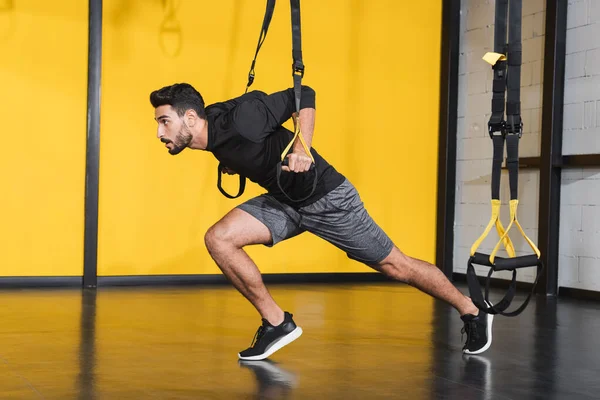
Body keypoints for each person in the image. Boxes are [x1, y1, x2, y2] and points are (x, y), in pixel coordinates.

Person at [149, 82, 493, 360]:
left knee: (395, 266)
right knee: (219, 238)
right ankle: (277, 323)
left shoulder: (241, 119)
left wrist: (302, 147)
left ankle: (471, 311)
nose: (160, 133)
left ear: (191, 119)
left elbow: (304, 94)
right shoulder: (215, 130)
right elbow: (249, 146)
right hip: (285, 200)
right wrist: (236, 162)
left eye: (164, 121)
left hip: (327, 200)